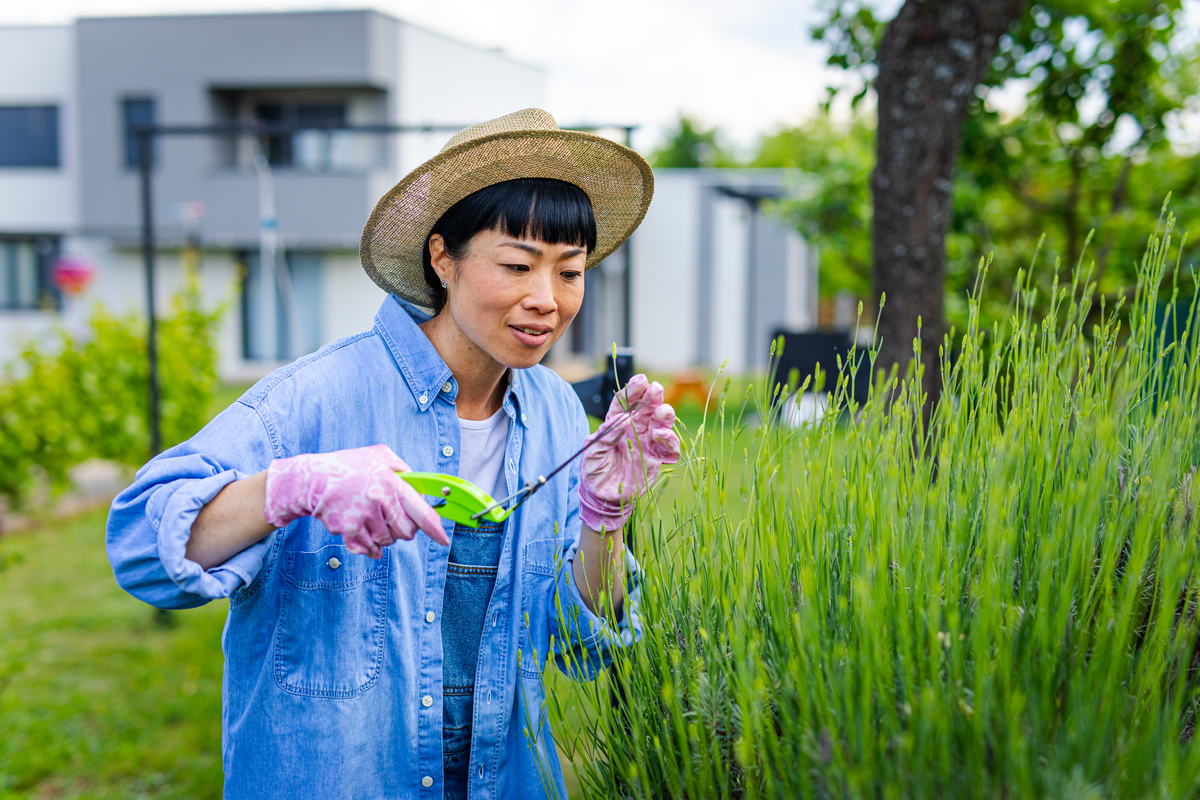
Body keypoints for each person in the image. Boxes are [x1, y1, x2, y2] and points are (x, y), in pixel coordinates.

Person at [105, 108, 680, 800]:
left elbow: (577, 643)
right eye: (517, 265)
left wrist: (604, 520)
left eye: (570, 272)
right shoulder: (318, 397)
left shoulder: (556, 412)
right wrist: (291, 486)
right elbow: (140, 547)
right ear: (442, 258)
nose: (546, 300)